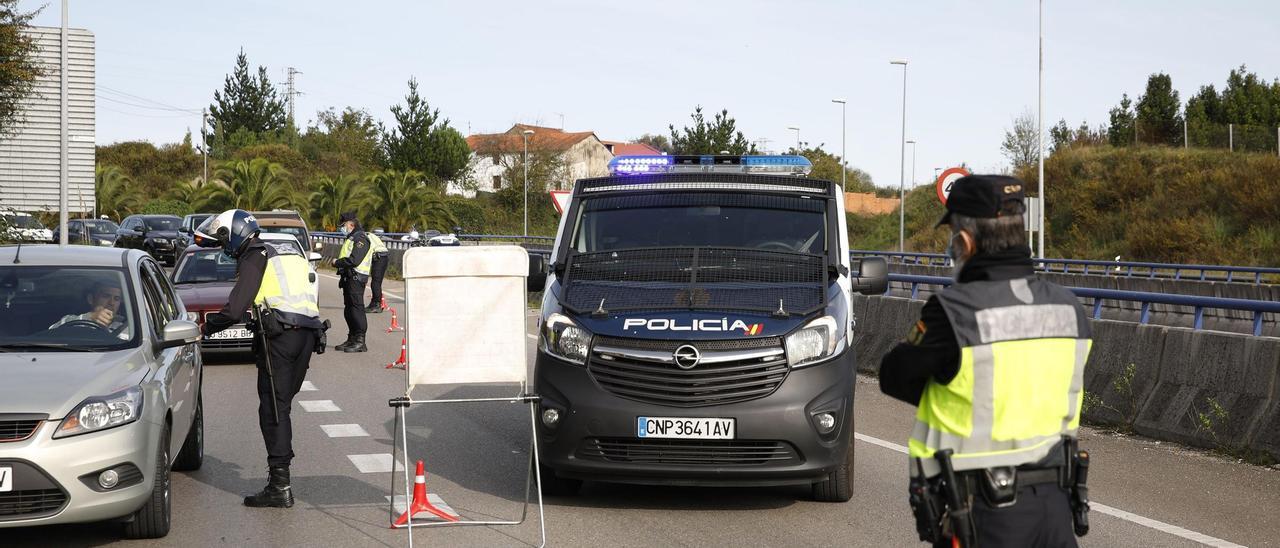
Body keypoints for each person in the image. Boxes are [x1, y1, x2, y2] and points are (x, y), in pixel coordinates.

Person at [879, 175, 1093, 548]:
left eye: (952, 240)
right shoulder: (1069, 309)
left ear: (965, 242)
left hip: (985, 517)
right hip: (1057, 512)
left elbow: (893, 374)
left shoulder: (954, 313)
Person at [194, 209, 326, 508]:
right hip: (307, 335)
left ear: (238, 233)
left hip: (280, 337)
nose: (224, 247)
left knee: (273, 411)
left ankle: (280, 486)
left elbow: (236, 308)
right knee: (282, 406)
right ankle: (280, 478)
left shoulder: (255, 255)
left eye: (224, 239)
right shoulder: (286, 253)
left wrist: (206, 328)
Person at [334, 211, 371, 352]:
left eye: (343, 225)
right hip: (348, 277)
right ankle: (352, 338)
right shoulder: (352, 237)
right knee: (349, 310)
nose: (341, 228)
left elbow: (354, 260)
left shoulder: (361, 238)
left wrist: (337, 263)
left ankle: (360, 341)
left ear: (351, 224)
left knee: (357, 309)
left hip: (356, 278)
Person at [50, 281, 130, 339]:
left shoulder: (127, 329)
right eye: (106, 296)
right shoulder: (71, 320)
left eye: (116, 299)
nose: (112, 302)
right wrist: (90, 317)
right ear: (91, 299)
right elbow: (50, 334)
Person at [365, 229, 389, 313]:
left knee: (375, 283)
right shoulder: (370, 235)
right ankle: (375, 303)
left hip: (379, 257)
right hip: (383, 256)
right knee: (376, 283)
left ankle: (376, 305)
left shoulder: (362, 237)